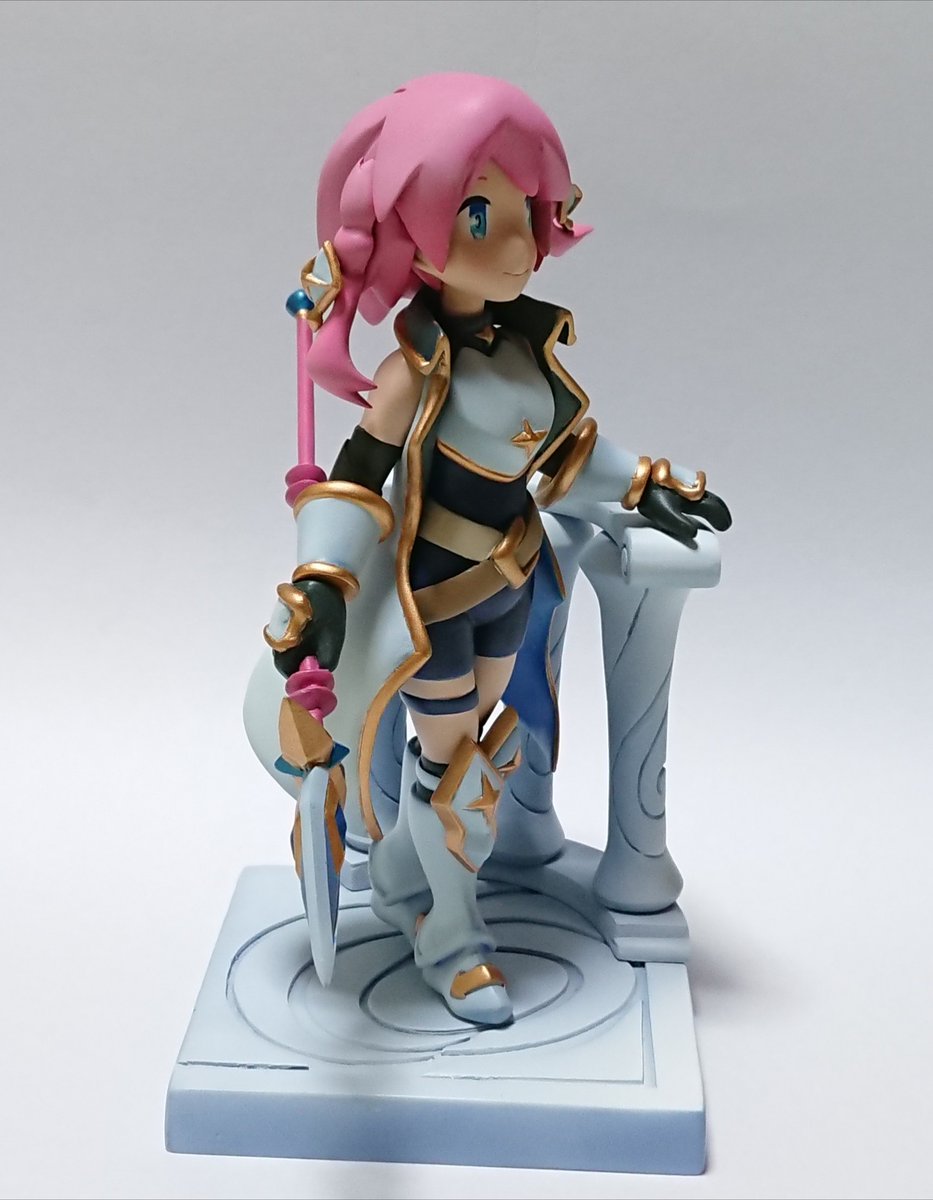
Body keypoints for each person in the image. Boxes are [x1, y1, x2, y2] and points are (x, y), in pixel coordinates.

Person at [258, 73, 731, 1025]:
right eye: (478, 214)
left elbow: (571, 456)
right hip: (433, 603)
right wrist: (322, 580)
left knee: (477, 754)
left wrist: (647, 483)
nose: (514, 244)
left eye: (521, 212)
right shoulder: (411, 373)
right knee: (454, 773)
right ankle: (452, 938)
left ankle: (402, 876)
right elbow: (356, 478)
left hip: (510, 588)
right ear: (415, 229)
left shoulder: (526, 353)